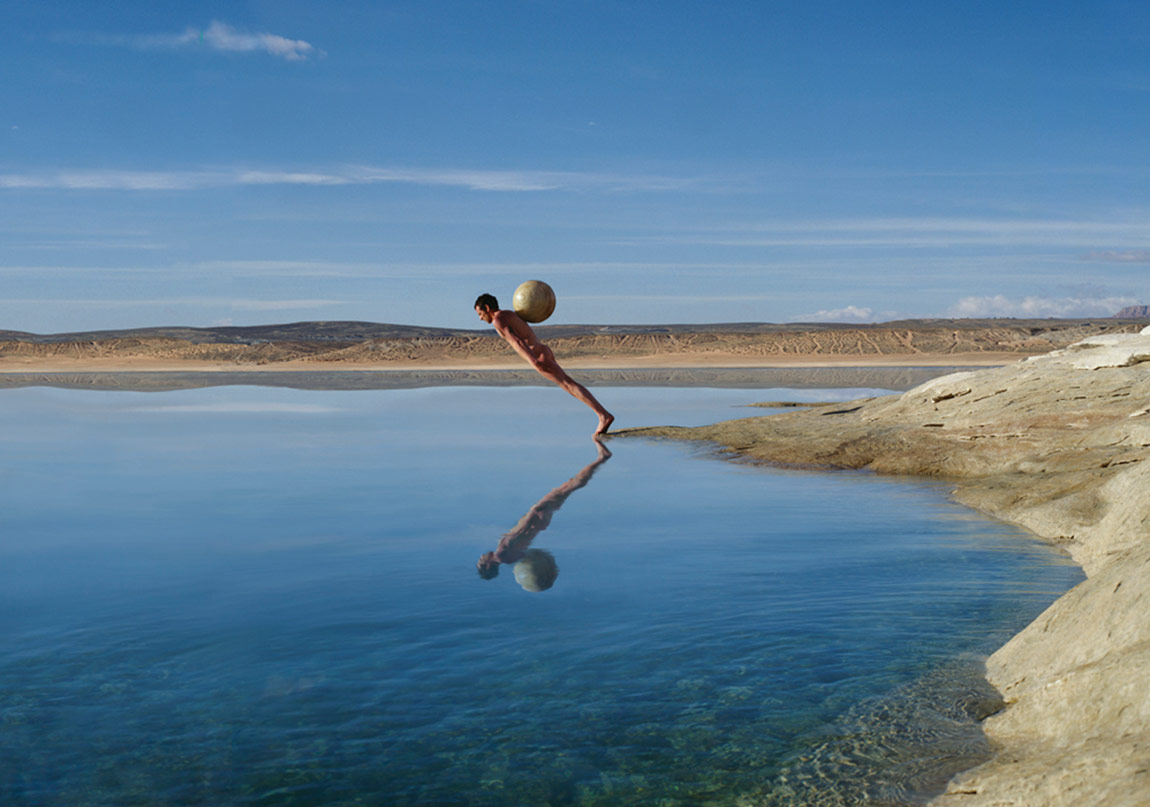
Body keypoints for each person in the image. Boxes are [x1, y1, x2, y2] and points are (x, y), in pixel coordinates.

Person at [474, 293, 614, 437]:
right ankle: (602, 414)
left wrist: (534, 361)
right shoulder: (508, 314)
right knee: (568, 385)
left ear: (487, 307)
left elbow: (517, 341)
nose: (480, 318)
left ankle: (603, 415)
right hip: (542, 351)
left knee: (569, 384)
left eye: (480, 313)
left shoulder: (498, 320)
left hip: (538, 356)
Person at [477, 440, 611, 587]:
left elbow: (525, 546)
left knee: (568, 487)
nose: (481, 557)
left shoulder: (509, 560)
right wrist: (535, 511)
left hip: (540, 521)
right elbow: (522, 531)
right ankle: (602, 458)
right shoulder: (502, 553)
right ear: (488, 566)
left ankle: (601, 459)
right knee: (570, 486)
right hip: (538, 515)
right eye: (481, 562)